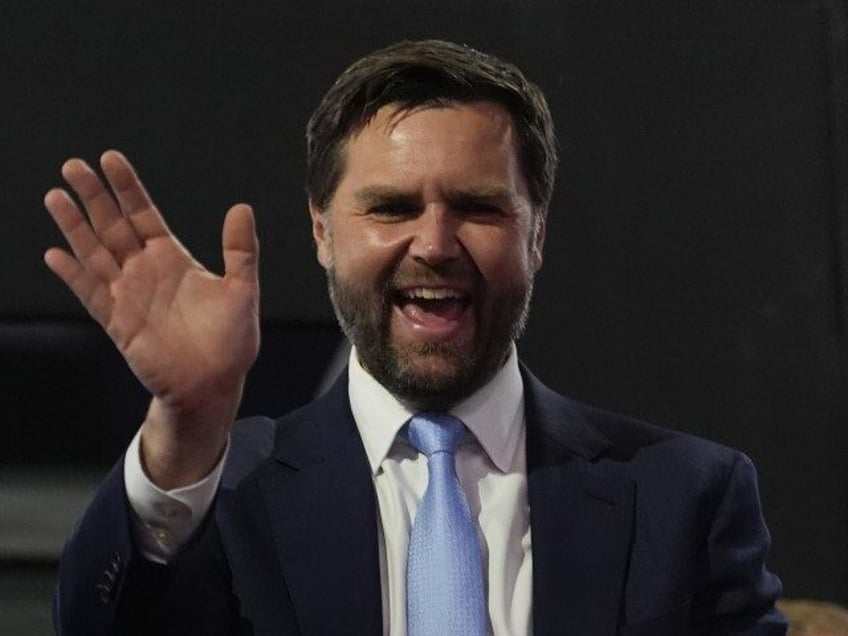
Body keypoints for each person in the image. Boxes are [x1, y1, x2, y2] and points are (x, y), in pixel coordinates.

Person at [45, 39, 786, 635]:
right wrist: (186, 427)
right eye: (392, 207)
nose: (435, 243)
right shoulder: (225, 492)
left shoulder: (685, 494)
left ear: (537, 236)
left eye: (478, 207)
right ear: (322, 233)